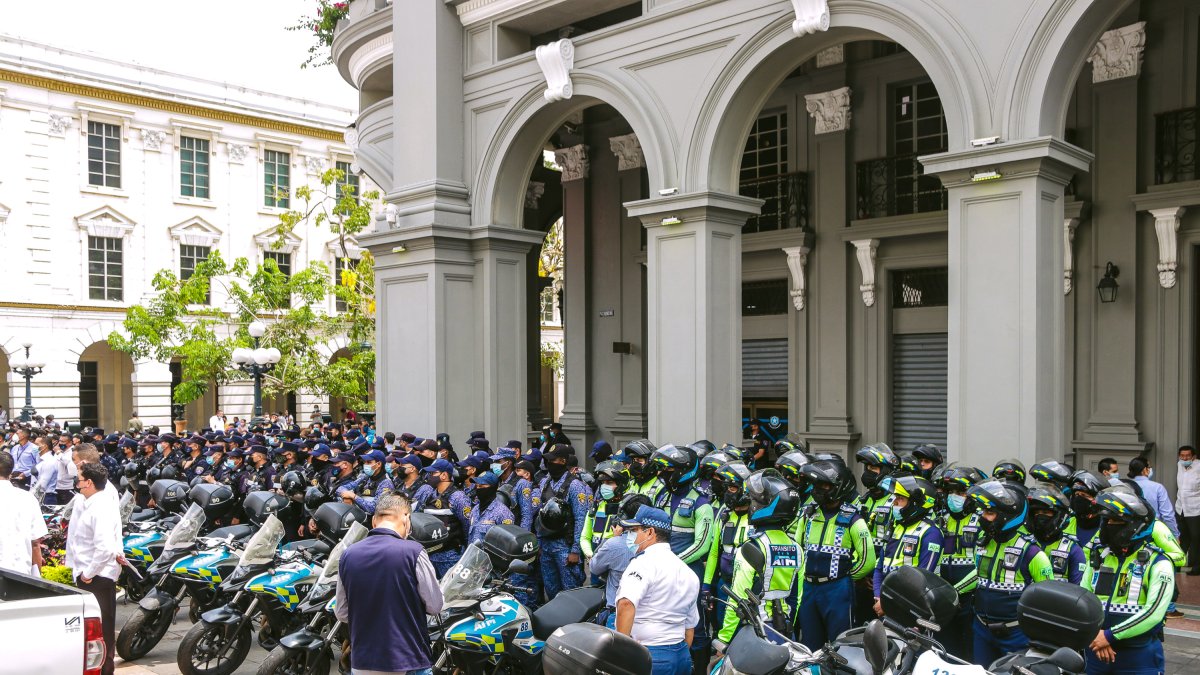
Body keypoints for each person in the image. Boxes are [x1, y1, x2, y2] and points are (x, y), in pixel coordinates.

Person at [336, 493, 443, 675]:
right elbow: (435, 606)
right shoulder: (414, 552)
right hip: (409, 661)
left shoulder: (348, 555)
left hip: (363, 661)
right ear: (406, 518)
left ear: (374, 521)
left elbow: (341, 612)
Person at [1082, 489, 1173, 675]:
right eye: (1106, 521)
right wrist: (1096, 636)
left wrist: (1109, 636)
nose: (1108, 526)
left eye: (1115, 521)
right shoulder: (1099, 557)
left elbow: (1154, 613)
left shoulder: (1158, 563)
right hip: (1096, 651)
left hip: (1138, 657)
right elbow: (1082, 598)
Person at [966, 480, 1054, 665]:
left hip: (1016, 634)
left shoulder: (1033, 554)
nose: (983, 517)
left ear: (1006, 516)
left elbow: (1046, 603)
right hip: (981, 629)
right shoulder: (982, 544)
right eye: (983, 512)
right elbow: (978, 578)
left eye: (989, 513)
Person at [714, 470, 801, 653]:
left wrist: (724, 639)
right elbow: (796, 599)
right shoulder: (796, 548)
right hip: (783, 631)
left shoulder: (751, 547)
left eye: (753, 501)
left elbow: (738, 597)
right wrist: (788, 626)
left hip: (755, 632)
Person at [795, 459, 876, 651]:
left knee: (840, 646)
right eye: (815, 485)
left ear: (839, 487)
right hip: (808, 588)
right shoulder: (808, 515)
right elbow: (798, 549)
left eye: (823, 485)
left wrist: (846, 579)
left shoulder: (853, 519)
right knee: (810, 645)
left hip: (837, 590)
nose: (817, 490)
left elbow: (868, 559)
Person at [615, 505, 699, 675]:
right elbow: (689, 627)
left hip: (650, 654)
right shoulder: (688, 572)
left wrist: (620, 654)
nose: (629, 535)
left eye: (634, 530)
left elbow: (625, 604)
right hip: (681, 655)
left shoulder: (643, 564)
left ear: (650, 532)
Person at [66, 463, 123, 675]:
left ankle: (105, 670)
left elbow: (105, 548)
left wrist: (88, 574)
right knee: (97, 629)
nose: (77, 483)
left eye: (79, 479)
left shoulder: (100, 507)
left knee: (103, 630)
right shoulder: (92, 503)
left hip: (96, 577)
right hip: (92, 575)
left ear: (89, 482)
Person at [873, 475, 944, 615]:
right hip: (885, 603)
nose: (895, 503)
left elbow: (922, 580)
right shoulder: (895, 527)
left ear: (916, 504)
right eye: (895, 498)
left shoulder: (931, 533)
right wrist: (879, 596)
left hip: (914, 608)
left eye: (901, 499)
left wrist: (888, 601)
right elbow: (879, 567)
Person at [536, 444, 592, 599]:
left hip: (565, 547)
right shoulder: (545, 483)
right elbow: (541, 514)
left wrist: (575, 550)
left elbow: (581, 518)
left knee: (570, 592)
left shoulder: (575, 486)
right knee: (551, 590)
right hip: (546, 544)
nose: (548, 464)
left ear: (562, 461)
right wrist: (539, 543)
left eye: (552, 460)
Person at [592, 494, 652, 628]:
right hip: (649, 617)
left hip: (618, 613)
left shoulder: (614, 544)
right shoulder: (660, 545)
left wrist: (612, 538)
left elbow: (594, 568)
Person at [0, 451, 48, 575]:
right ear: (10, 473)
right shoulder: (27, 498)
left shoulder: (28, 498)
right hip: (19, 571)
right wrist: (37, 580)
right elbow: (35, 543)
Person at [1026, 487, 1087, 584]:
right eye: (1037, 513)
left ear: (1059, 516)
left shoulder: (1073, 549)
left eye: (1045, 512)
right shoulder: (1024, 545)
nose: (1040, 517)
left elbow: (1078, 589)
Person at [1129, 456, 1179, 539]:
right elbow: (1167, 515)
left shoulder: (1126, 486)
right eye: (1149, 467)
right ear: (1145, 470)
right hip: (1153, 532)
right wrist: (1175, 535)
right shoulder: (1157, 488)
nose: (1150, 469)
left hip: (1130, 532)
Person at [1176, 445, 1200, 576]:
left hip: (1195, 509)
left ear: (1193, 457)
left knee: (1196, 538)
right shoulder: (1179, 465)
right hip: (1180, 508)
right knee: (1182, 538)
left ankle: (1196, 567)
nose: (1184, 458)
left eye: (1187, 456)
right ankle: (1178, 565)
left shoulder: (1199, 467)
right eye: (1182, 456)